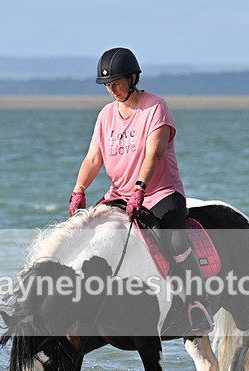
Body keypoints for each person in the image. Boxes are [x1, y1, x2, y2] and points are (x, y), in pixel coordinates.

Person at [67, 47, 213, 335]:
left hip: (160, 192)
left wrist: (139, 189)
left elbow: (153, 155)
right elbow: (93, 158)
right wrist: (79, 190)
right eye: (107, 85)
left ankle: (199, 303)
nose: (112, 90)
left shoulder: (155, 107)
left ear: (133, 78)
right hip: (118, 194)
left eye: (117, 83)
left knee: (173, 241)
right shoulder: (106, 115)